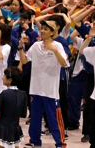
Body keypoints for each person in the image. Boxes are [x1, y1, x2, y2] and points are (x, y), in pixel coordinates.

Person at [19, 19, 68, 148]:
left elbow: (64, 64)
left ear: (52, 32)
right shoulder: (36, 46)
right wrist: (20, 47)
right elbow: (24, 61)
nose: (43, 31)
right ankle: (35, 140)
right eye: (42, 28)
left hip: (50, 90)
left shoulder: (58, 46)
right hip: (36, 88)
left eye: (46, 29)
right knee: (35, 117)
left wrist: (54, 51)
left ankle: (60, 143)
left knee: (54, 118)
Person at [0, 67, 27, 148]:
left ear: (10, 80)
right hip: (15, 132)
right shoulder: (23, 94)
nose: (2, 77)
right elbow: (24, 114)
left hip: (0, 131)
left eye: (4, 75)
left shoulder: (3, 94)